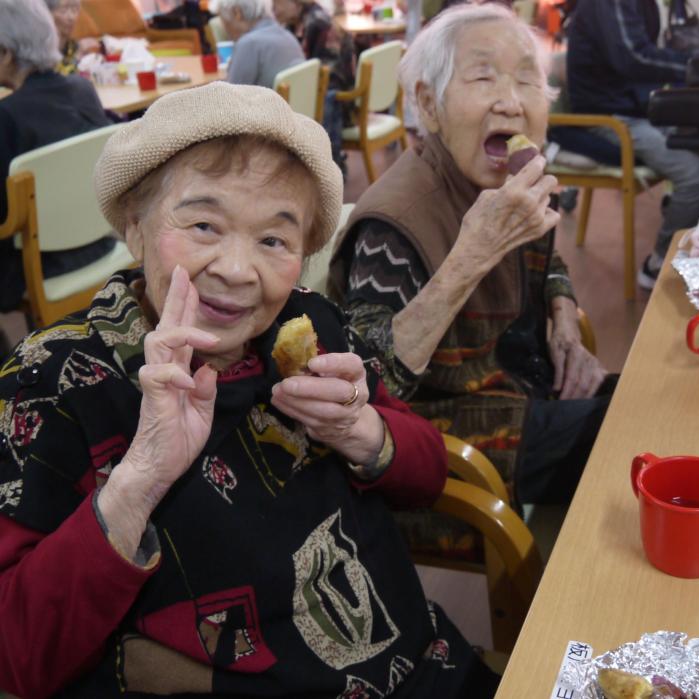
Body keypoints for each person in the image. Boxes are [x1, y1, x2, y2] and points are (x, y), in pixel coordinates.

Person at [0, 81, 501, 698]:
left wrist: (360, 430)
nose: (238, 271)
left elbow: (426, 475)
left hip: (423, 667)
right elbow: (17, 655)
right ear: (134, 226)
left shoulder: (307, 324)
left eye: (273, 240)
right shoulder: (51, 381)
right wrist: (140, 478)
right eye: (203, 224)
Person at [329, 3, 614, 512]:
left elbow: (547, 260)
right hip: (454, 437)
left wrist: (565, 323)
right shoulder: (392, 227)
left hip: (522, 384)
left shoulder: (506, 182)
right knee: (630, 438)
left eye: (527, 81)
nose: (511, 102)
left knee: (651, 403)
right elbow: (368, 385)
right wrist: (473, 254)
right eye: (483, 78)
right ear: (429, 105)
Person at [566, 0, 699, 290]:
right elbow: (633, 57)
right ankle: (658, 261)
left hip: (636, 108)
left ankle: (696, 233)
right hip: (609, 116)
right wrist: (697, 66)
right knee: (698, 175)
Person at [0, 0, 114, 313]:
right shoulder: (82, 89)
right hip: (100, 242)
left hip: (35, 265)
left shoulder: (7, 115)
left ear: (6, 53)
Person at [272, 0, 355, 173]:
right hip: (315, 89)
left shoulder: (317, 22)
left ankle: (328, 166)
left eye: (277, 2)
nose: (273, 9)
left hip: (338, 97)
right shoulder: (291, 24)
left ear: (295, 3)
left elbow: (330, 75)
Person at [218, 0, 305, 90]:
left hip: (269, 99)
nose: (224, 29)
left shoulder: (248, 43)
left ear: (237, 12)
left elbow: (230, 95)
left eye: (223, 21)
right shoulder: (287, 35)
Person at [43, 0, 100, 75]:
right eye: (63, 11)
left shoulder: (73, 46)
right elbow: (56, 78)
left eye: (74, 10)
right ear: (47, 13)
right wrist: (78, 55)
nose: (71, 17)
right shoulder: (41, 48)